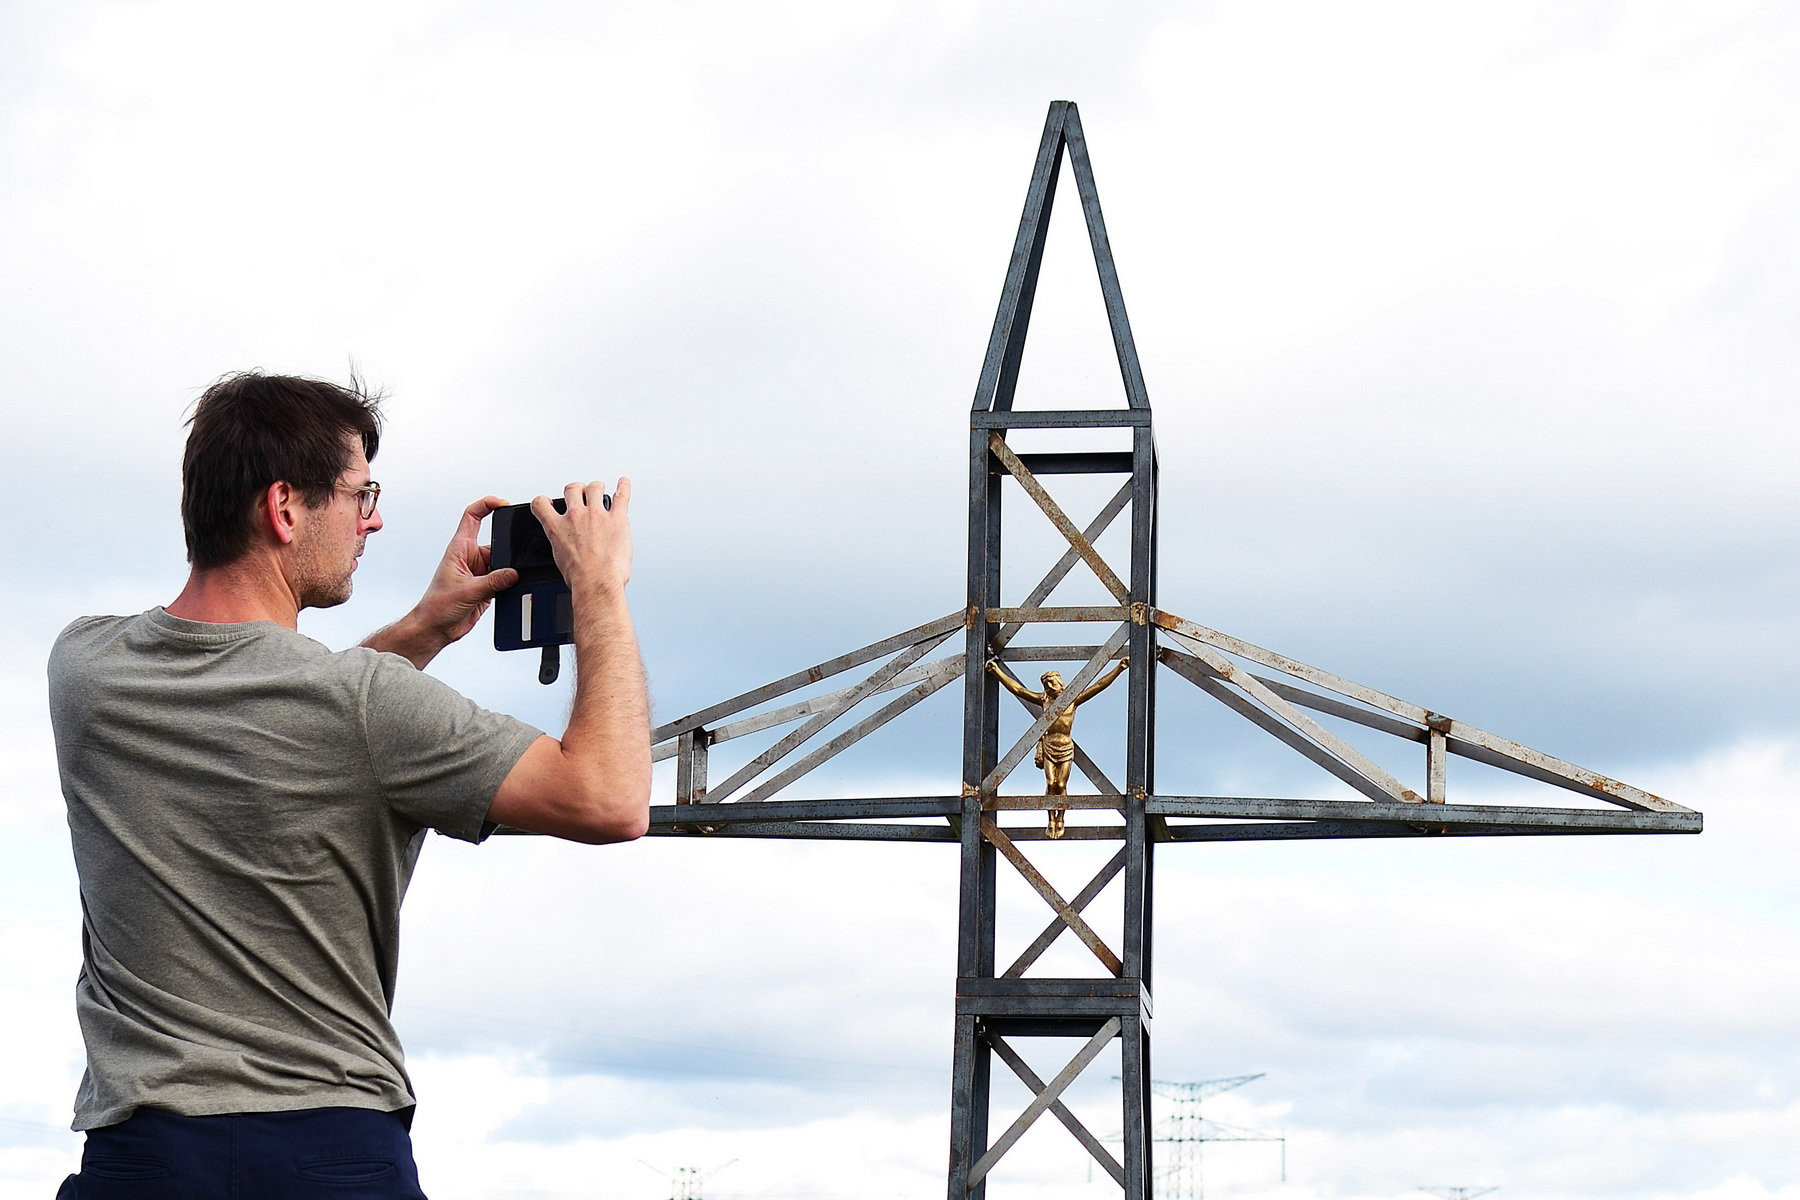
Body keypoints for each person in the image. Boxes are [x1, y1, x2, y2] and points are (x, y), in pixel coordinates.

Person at [46, 371, 651, 1199]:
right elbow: (609, 798)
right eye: (360, 494)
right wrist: (599, 587)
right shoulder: (367, 703)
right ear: (285, 507)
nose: (371, 519)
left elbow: (285, 715)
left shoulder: (85, 668)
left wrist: (423, 628)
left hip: (142, 1157)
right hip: (327, 1151)